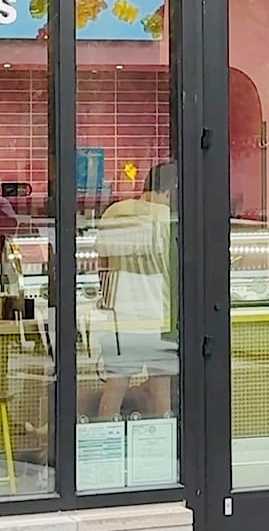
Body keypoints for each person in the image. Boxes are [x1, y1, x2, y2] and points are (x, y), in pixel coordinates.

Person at [94, 163, 179, 421]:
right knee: (161, 386)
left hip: (123, 317)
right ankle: (162, 447)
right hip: (160, 318)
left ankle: (102, 443)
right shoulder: (168, 219)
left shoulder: (114, 212)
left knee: (116, 384)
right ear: (170, 190)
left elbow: (103, 265)